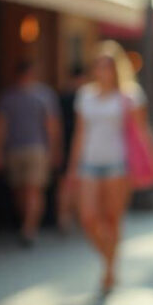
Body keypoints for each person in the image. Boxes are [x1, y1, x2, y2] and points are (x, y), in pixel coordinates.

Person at [66, 41, 153, 296]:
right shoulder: (85, 95)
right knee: (89, 218)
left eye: (108, 65)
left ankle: (110, 270)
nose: (103, 70)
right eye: (99, 65)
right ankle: (109, 261)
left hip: (118, 164)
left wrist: (151, 161)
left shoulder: (130, 95)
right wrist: (72, 169)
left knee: (112, 219)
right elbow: (80, 133)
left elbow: (141, 132)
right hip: (90, 164)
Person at [0, 60, 61, 246]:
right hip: (16, 148)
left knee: (32, 189)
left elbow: (51, 125)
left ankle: (29, 229)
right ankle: (26, 224)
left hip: (35, 148)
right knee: (20, 190)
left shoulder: (43, 95)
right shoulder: (9, 97)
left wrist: (53, 150)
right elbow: (1, 126)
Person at [57, 65, 89, 234]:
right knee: (70, 183)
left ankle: (68, 218)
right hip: (74, 144)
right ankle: (69, 218)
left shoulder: (66, 97)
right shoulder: (82, 98)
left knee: (69, 183)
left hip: (72, 144)